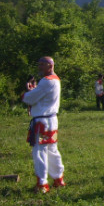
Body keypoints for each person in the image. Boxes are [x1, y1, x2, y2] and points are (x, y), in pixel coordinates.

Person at [22, 56, 65, 193]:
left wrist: (27, 93)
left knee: (40, 151)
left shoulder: (46, 81)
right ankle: (58, 178)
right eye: (39, 64)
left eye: (42, 64)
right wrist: (35, 91)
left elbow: (31, 98)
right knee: (52, 149)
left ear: (50, 66)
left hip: (42, 122)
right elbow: (41, 95)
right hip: (51, 120)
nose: (39, 67)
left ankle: (42, 183)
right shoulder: (55, 79)